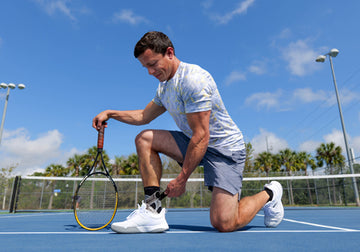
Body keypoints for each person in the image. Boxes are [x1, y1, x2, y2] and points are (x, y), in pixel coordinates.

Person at [92, 31, 284, 233]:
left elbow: (202, 136)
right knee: (144, 139)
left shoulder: (193, 80)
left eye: (153, 64)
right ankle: (152, 210)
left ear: (170, 53)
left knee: (224, 223)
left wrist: (182, 179)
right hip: (195, 140)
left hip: (225, 149)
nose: (150, 71)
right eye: (145, 67)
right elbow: (143, 117)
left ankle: (270, 193)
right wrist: (110, 113)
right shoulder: (164, 87)